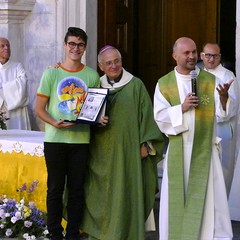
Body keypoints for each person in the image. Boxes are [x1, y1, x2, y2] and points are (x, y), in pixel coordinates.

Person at [154, 37, 235, 240]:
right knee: (177, 201)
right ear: (175, 56)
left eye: (193, 52)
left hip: (204, 150)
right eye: (186, 53)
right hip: (178, 151)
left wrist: (225, 99)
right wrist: (181, 108)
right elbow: (159, 117)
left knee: (211, 203)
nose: (191, 56)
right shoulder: (164, 84)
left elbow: (224, 113)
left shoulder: (209, 80)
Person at [81, 45, 164, 240]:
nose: (113, 66)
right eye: (108, 63)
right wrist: (94, 121)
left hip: (128, 156)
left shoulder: (136, 86)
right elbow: (85, 116)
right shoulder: (96, 86)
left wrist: (147, 145)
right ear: (101, 66)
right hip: (99, 156)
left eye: (116, 61)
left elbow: (147, 119)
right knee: (100, 196)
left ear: (121, 61)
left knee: (126, 197)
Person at [35, 27, 100, 240]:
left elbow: (95, 109)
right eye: (72, 44)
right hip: (55, 140)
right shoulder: (51, 73)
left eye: (80, 45)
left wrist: (99, 119)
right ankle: (54, 233)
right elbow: (39, 109)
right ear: (65, 45)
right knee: (54, 188)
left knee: (76, 190)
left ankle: (73, 233)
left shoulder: (91, 75)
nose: (75, 48)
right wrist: (54, 122)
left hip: (80, 141)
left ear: (85, 48)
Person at [200, 42, 239, 196]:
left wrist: (224, 98)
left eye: (215, 56)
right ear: (202, 56)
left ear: (220, 57)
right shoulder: (196, 74)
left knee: (222, 172)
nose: (211, 59)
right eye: (208, 55)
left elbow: (233, 106)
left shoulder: (227, 76)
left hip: (221, 129)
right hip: (202, 128)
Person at [0, 37, 31, 130]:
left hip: (17, 112)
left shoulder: (17, 66)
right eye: (2, 46)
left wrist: (3, 87)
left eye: (8, 46)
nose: (6, 48)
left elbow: (23, 83)